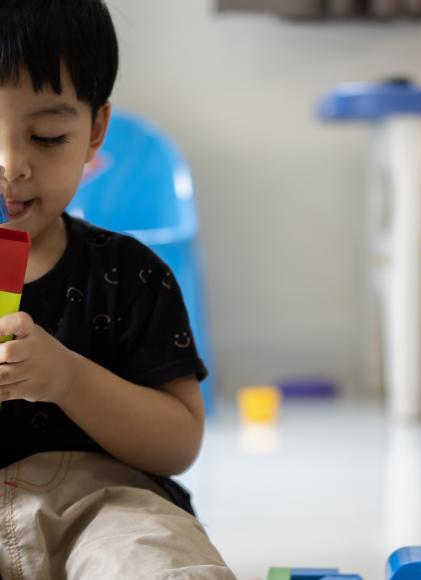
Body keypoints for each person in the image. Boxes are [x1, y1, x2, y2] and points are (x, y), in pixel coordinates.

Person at [0, 1, 236, 578]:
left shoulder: (131, 274)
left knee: (159, 561)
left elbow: (178, 443)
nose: (10, 165)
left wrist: (68, 378)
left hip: (107, 505)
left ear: (94, 132)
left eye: (48, 135)